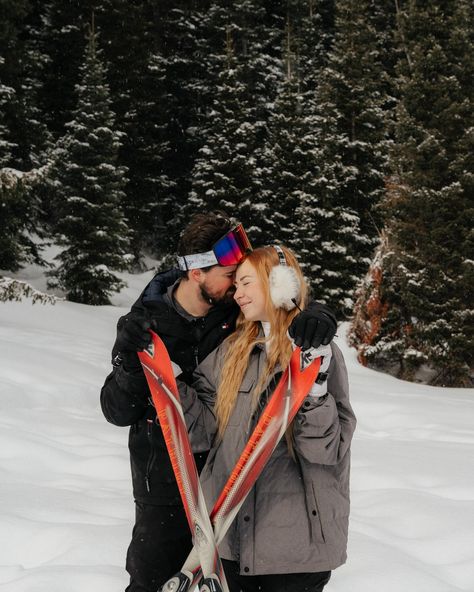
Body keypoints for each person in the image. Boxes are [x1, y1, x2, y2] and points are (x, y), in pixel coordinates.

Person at [100, 213, 338, 592]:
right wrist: (133, 364)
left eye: (241, 278)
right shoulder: (145, 324)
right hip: (167, 486)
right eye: (230, 276)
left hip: (236, 493)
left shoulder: (235, 316)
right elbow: (117, 410)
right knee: (151, 583)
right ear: (197, 273)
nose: (236, 287)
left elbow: (278, 295)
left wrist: (318, 315)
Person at [178, 245, 356, 592]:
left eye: (245, 283)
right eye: (235, 285)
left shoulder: (319, 352)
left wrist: (315, 390)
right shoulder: (230, 352)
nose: (237, 293)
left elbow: (325, 451)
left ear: (279, 286)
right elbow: (201, 431)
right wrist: (168, 382)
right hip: (228, 542)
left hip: (293, 550)